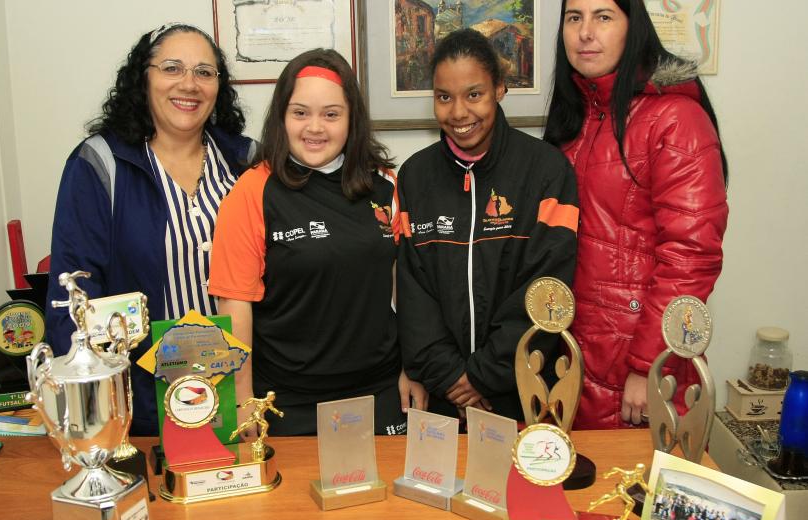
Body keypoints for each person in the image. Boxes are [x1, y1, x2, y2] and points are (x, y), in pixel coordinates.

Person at [46, 23, 255, 435]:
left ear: (219, 86)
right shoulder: (100, 164)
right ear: (144, 78)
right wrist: (97, 416)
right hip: (141, 405)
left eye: (205, 72)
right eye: (172, 68)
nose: (189, 84)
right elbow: (74, 293)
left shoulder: (245, 161)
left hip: (240, 393)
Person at [209, 49, 415, 436]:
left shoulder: (385, 185)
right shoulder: (252, 192)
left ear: (351, 119)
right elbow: (235, 309)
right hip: (286, 400)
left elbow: (403, 289)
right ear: (281, 118)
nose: (315, 127)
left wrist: (411, 368)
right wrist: (242, 402)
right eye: (300, 112)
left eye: (331, 114)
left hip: (380, 392)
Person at [544, 0, 729, 428]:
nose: (585, 32)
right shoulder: (576, 120)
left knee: (636, 489)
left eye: (603, 16)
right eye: (575, 18)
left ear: (634, 28)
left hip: (638, 361)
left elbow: (692, 254)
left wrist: (650, 366)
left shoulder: (676, 119)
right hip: (578, 355)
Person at [396, 28, 579, 421]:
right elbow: (414, 292)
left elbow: (548, 285)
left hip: (522, 391)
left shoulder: (547, 170)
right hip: (441, 396)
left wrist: (483, 376)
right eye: (444, 97)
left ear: (499, 89)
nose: (459, 112)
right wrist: (452, 379)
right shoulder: (414, 176)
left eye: (473, 94)